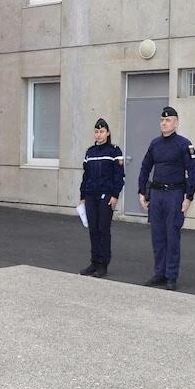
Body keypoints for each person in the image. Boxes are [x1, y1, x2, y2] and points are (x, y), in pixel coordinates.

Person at [137, 106, 195, 291]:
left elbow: (193, 172)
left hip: (174, 195)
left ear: (176, 123)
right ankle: (159, 273)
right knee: (158, 236)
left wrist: (188, 197)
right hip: (156, 195)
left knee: (172, 236)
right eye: (162, 120)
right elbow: (145, 167)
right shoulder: (155, 144)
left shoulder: (183, 144)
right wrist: (142, 192)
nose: (164, 123)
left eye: (168, 120)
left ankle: (171, 275)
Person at [79, 118, 125, 278]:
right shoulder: (90, 152)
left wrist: (115, 195)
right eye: (96, 132)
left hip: (106, 196)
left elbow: (119, 176)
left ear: (108, 133)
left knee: (103, 229)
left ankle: (103, 264)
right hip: (91, 195)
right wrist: (82, 195)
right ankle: (94, 262)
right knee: (93, 229)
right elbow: (86, 175)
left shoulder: (114, 151)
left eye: (102, 131)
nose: (99, 135)